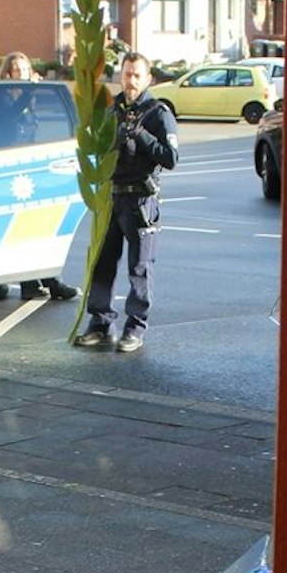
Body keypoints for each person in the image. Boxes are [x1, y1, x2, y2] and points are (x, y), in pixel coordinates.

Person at [77, 52, 178, 352]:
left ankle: (134, 328)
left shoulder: (158, 112)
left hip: (140, 202)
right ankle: (100, 323)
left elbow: (171, 158)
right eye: (126, 74)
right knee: (102, 264)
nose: (130, 80)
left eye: (136, 75)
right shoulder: (111, 109)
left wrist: (142, 136)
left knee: (139, 268)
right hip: (111, 198)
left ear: (148, 79)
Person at [0, 52, 80, 300]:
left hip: (29, 167)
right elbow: (8, 121)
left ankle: (43, 281)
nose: (21, 74)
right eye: (17, 70)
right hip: (11, 170)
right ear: (8, 74)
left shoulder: (25, 98)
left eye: (25, 69)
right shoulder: (0, 98)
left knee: (38, 227)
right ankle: (38, 283)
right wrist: (31, 91)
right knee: (23, 229)